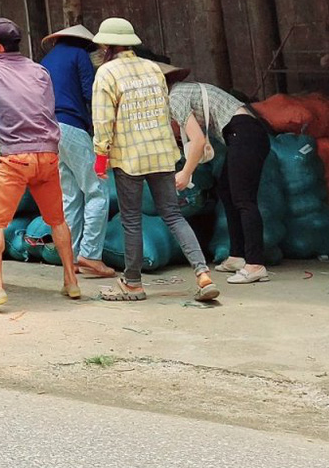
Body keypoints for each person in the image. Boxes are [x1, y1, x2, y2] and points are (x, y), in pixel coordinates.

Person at [89, 17, 219, 304]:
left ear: (106, 44)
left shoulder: (106, 73)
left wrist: (100, 160)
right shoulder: (153, 69)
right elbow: (163, 111)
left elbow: (103, 121)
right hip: (161, 154)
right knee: (173, 215)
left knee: (131, 221)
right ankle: (202, 273)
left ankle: (133, 283)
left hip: (130, 157)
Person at [0, 18, 81, 311]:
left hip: (16, 157)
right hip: (48, 154)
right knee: (57, 219)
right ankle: (71, 281)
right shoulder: (39, 70)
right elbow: (45, 109)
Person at [167, 67, 274, 284]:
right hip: (244, 133)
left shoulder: (174, 97)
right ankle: (237, 255)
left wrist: (186, 173)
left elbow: (196, 141)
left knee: (244, 200)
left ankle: (255, 264)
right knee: (226, 189)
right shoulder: (183, 91)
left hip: (243, 132)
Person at [41, 22, 112, 279]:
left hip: (49, 131)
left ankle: (69, 257)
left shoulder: (46, 60)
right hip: (72, 126)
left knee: (70, 195)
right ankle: (91, 255)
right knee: (97, 190)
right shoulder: (79, 55)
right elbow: (89, 92)